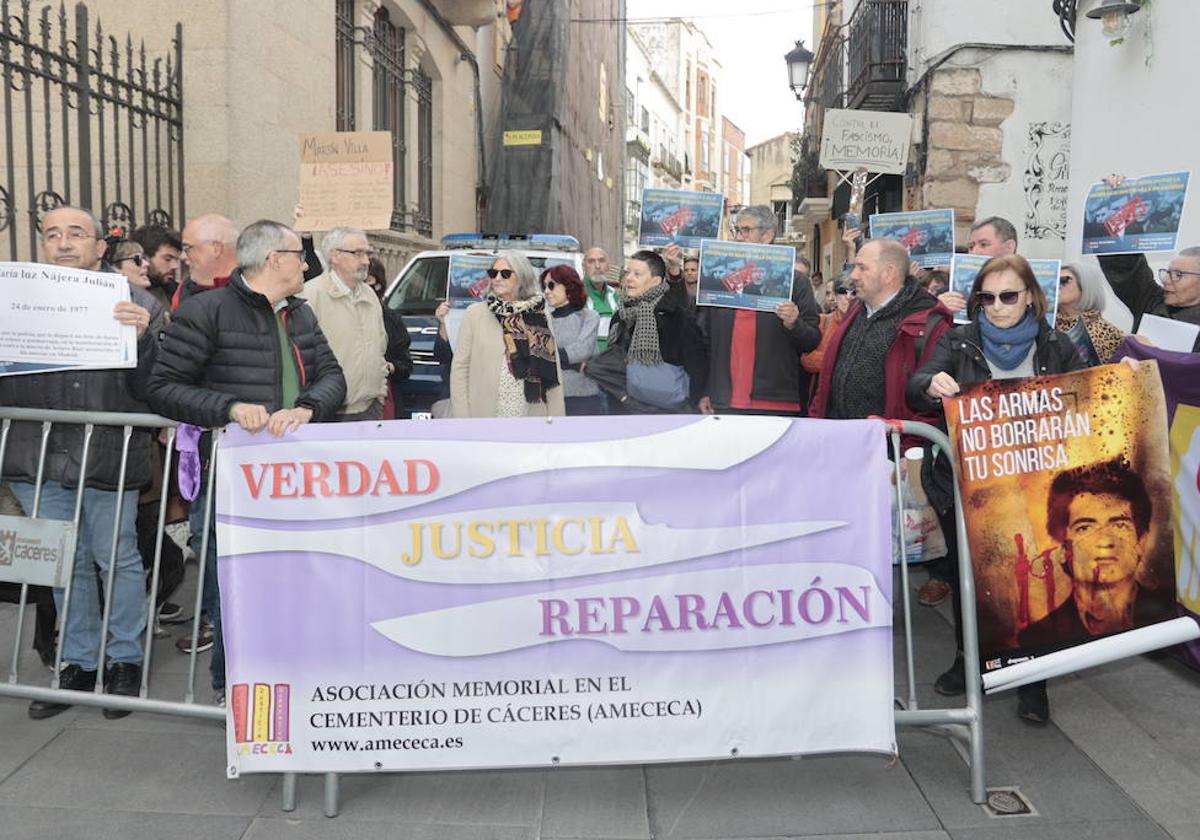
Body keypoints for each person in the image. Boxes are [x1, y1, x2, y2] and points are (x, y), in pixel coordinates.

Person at [147, 219, 347, 705]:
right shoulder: (206, 312)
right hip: (231, 478)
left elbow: (332, 375)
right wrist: (230, 409)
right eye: (299, 254)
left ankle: (291, 681)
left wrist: (308, 408)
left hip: (295, 477)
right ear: (274, 259)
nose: (306, 263)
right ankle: (231, 689)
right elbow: (163, 387)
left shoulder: (299, 314)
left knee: (293, 581)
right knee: (232, 582)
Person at [907, 253, 1085, 726]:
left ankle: (1034, 681)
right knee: (973, 580)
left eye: (1009, 295)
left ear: (1030, 295)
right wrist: (931, 384)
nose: (999, 306)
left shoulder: (1056, 345)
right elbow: (916, 384)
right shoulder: (959, 340)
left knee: (1037, 580)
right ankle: (969, 661)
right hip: (969, 484)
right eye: (987, 297)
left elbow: (1089, 394)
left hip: (1036, 485)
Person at [0, 206, 162, 720]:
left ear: (100, 247)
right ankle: (77, 663)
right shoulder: (15, 301)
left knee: (117, 559)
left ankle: (124, 663)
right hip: (37, 457)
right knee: (63, 564)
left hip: (108, 456)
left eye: (76, 234)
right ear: (43, 246)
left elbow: (160, 387)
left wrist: (146, 341)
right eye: (53, 235)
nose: (64, 243)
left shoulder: (137, 303)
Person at [1019, 456, 1173, 650]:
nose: (1105, 541)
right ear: (1063, 548)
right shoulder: (1037, 639)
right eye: (1085, 528)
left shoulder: (1171, 617)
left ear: (1141, 541)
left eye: (1119, 525)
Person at [809, 238, 953, 424]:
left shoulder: (928, 323)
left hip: (890, 446)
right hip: (838, 437)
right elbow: (828, 378)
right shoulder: (855, 310)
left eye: (862, 268)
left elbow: (930, 400)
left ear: (888, 273)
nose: (853, 275)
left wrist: (909, 448)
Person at [698, 205, 822, 416]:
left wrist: (794, 323)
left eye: (745, 230)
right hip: (724, 400)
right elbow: (705, 341)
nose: (738, 237)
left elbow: (811, 340)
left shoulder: (795, 282)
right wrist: (707, 390)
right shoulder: (719, 282)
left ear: (767, 236)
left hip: (774, 401)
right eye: (736, 230)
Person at [587, 250, 708, 413]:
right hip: (624, 410)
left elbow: (697, 367)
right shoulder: (621, 315)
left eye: (637, 274)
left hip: (665, 413)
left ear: (655, 281)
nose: (629, 278)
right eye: (628, 272)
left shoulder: (677, 318)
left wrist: (691, 402)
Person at [450, 251, 565, 418]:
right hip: (484, 414)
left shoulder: (539, 316)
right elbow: (460, 368)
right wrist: (462, 417)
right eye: (493, 273)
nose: (497, 278)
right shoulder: (474, 314)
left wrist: (556, 420)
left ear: (521, 277)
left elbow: (552, 371)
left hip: (530, 413)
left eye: (505, 274)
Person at [298, 227, 391, 422]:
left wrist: (379, 394)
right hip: (328, 413)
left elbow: (380, 347)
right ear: (335, 256)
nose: (366, 261)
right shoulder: (310, 296)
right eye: (358, 253)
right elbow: (301, 359)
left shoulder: (370, 295)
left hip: (370, 409)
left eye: (367, 253)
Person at [1098, 246, 1200, 352]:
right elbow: (1125, 266)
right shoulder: (1152, 301)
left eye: (1178, 275)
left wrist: (1151, 351)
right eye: (1168, 272)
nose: (1165, 280)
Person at [541, 264, 604, 415]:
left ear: (569, 286)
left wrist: (548, 358)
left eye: (551, 285)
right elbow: (535, 356)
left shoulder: (589, 316)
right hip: (549, 398)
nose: (546, 291)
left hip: (584, 398)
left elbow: (581, 351)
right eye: (544, 287)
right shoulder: (542, 320)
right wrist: (575, 366)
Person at [937, 216, 1019, 316]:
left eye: (984, 244)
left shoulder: (1030, 289)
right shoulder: (950, 292)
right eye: (971, 247)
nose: (974, 252)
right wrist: (937, 309)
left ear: (1009, 247)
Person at [366, 256, 413, 419]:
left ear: (378, 284)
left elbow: (405, 363)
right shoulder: (343, 314)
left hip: (384, 395)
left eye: (368, 280)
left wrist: (389, 366)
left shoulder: (391, 319)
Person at [1057, 262, 1126, 365]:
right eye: (1054, 280)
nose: (1057, 286)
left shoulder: (1108, 332)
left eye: (1064, 280)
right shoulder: (1044, 325)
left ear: (1085, 286)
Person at [801, 277, 854, 398]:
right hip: (823, 397)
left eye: (853, 292)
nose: (848, 297)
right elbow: (807, 360)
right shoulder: (823, 321)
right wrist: (841, 358)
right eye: (843, 291)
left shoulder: (865, 325)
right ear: (835, 296)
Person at [174, 214, 238, 311]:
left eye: (187, 248)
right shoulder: (184, 289)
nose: (182, 256)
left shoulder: (251, 287)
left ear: (216, 249)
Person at [130, 224, 182, 309]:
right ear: (145, 258)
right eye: (168, 259)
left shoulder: (178, 292)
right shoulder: (123, 292)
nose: (175, 266)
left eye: (176, 260)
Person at [582, 246, 619, 352]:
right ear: (584, 266)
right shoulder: (574, 294)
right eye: (591, 261)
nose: (597, 266)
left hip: (610, 362)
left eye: (601, 261)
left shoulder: (615, 295)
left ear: (608, 266)